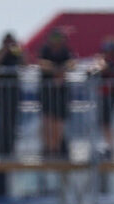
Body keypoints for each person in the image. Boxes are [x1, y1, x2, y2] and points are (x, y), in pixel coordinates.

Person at [35, 28, 72, 159]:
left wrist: (58, 70)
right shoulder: (45, 50)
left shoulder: (66, 52)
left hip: (61, 93)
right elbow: (41, 64)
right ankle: (48, 148)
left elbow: (71, 64)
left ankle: (55, 149)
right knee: (47, 121)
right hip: (47, 93)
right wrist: (57, 70)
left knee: (58, 122)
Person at [0, 33, 25, 159]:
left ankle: (11, 148)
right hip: (1, 92)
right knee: (1, 121)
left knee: (13, 122)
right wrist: (5, 51)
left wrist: (19, 52)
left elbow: (25, 65)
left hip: (14, 91)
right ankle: (1, 148)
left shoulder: (17, 53)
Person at [91, 36, 114, 159]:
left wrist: (101, 63)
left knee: (107, 122)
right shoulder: (101, 60)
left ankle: (110, 147)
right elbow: (94, 69)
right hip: (102, 95)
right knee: (103, 122)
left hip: (112, 95)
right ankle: (106, 146)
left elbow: (106, 69)